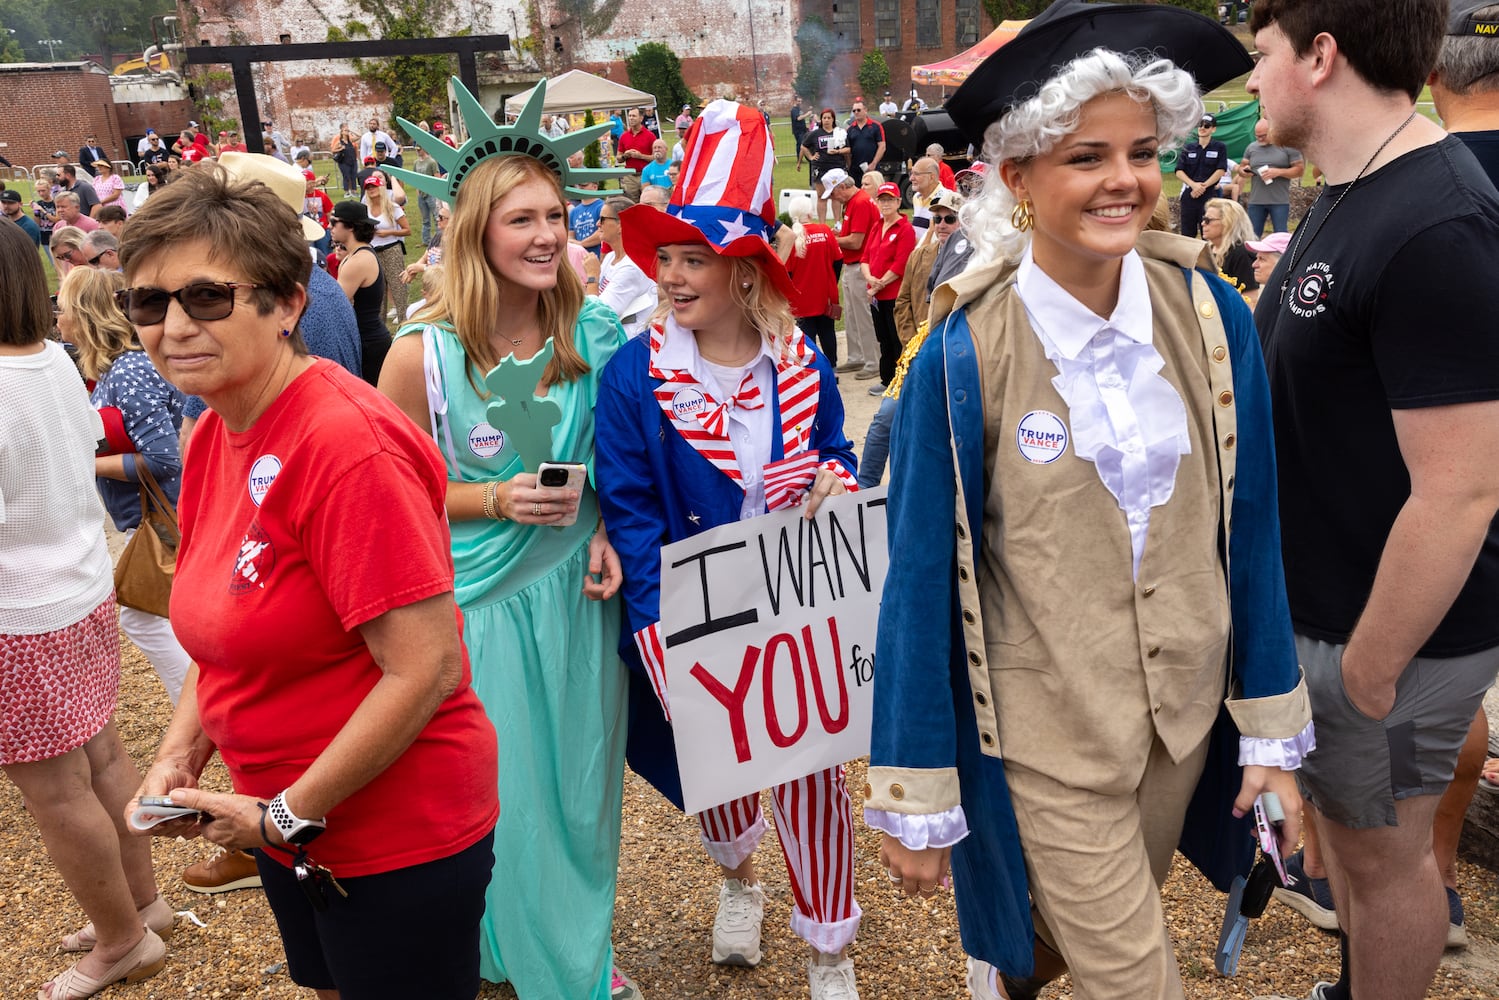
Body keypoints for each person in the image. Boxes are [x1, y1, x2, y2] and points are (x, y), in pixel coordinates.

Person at [871, 6, 1310, 1000]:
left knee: (1054, 943)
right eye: (1085, 156)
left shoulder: (1209, 314)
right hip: (1046, 735)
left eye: (1141, 151)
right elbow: (919, 583)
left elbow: (1251, 534)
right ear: (1019, 178)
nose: (1123, 179)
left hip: (1180, 729)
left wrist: (1270, 733)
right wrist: (912, 783)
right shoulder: (961, 352)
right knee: (1136, 978)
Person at [120, 163, 498, 1000]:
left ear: (288, 302)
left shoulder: (344, 445)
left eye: (206, 298)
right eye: (149, 303)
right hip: (283, 822)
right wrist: (178, 758)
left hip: (390, 830)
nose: (174, 326)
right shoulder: (216, 426)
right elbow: (222, 633)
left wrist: (288, 813)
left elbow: (425, 666)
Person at [1247, 0, 1499, 997]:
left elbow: (1461, 487)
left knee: (1386, 861)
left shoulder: (1433, 218)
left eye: (1260, 54)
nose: (1252, 78)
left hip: (1390, 637)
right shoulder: (1355, 187)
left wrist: (1366, 670)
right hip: (1331, 612)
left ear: (1318, 55)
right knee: (1352, 854)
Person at [596, 98, 863, 1000]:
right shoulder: (634, 375)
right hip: (691, 611)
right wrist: (652, 628)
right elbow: (629, 511)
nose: (670, 276)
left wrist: (827, 477)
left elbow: (840, 452)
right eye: (663, 256)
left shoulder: (800, 362)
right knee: (718, 784)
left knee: (814, 781)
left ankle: (830, 950)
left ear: (743, 268)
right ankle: (738, 881)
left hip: (797, 603)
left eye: (692, 257)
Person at [376, 84, 638, 1000]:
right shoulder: (421, 354)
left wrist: (607, 528)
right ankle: (526, 958)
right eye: (520, 218)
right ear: (475, 231)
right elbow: (392, 495)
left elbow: (623, 466)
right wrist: (491, 497)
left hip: (575, 598)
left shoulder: (598, 333)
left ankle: (570, 957)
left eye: (556, 217)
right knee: (506, 799)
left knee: (580, 795)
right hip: (473, 610)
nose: (544, 236)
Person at [0, 220, 172, 1000]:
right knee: (101, 757)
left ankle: (120, 939)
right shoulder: (52, 362)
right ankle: (142, 905)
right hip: (79, 582)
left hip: (20, 612)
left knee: (56, 791)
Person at [55, 266, 192, 705]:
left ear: (84, 316)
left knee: (145, 619)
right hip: (154, 514)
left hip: (163, 515)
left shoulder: (127, 372)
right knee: (165, 615)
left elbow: (164, 457)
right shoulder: (117, 368)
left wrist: (86, 465)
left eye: (61, 311)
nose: (57, 321)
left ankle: (200, 707)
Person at [860, 189, 962, 490]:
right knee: (885, 418)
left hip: (954, 357)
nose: (942, 224)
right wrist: (910, 341)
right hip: (917, 351)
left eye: (950, 219)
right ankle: (863, 490)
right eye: (937, 218)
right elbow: (903, 302)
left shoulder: (976, 259)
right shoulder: (921, 254)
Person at [821, 168, 880, 379]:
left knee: (863, 316)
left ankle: (873, 361)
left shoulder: (860, 202)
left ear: (843, 187)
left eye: (835, 193)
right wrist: (838, 235)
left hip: (860, 265)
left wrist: (830, 239)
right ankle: (858, 357)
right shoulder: (854, 202)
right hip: (853, 264)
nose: (834, 198)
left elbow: (856, 241)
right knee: (853, 316)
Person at [329, 200, 393, 385]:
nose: (329, 226)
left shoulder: (358, 261)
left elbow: (336, 305)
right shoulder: (357, 255)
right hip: (367, 338)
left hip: (368, 341)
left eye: (334, 222)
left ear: (350, 226)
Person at [862, 181, 916, 393]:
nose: (885, 204)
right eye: (882, 200)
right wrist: (870, 280)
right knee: (882, 338)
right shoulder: (877, 226)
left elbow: (900, 264)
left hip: (893, 294)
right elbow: (865, 257)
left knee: (896, 338)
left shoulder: (905, 229)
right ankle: (887, 379)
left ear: (898, 202)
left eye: (889, 200)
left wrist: (877, 285)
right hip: (875, 294)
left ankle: (901, 382)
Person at [780, 194, 841, 366]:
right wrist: (831, 280)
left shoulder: (790, 238)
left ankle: (812, 368)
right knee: (828, 332)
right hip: (825, 294)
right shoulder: (825, 231)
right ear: (810, 212)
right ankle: (833, 368)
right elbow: (838, 261)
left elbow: (788, 272)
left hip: (800, 297)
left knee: (807, 336)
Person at [596, 195, 659, 336]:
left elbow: (598, 316)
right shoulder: (611, 257)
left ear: (621, 225)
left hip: (625, 344)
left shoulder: (632, 266)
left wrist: (591, 278)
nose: (597, 224)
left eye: (602, 219)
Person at [1236, 118, 1304, 234]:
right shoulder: (1252, 147)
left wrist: (1278, 172)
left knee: (1280, 234)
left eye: (1263, 136)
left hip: (1279, 200)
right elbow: (1241, 168)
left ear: (1272, 131)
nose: (1259, 139)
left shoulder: (1287, 146)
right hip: (1256, 200)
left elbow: (1299, 170)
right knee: (1253, 235)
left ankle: (1282, 253)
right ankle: (1253, 253)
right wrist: (1244, 171)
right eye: (1257, 136)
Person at [362, 171, 410, 321]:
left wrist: (389, 232)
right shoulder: (364, 209)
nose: (371, 190)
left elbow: (407, 230)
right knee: (377, 291)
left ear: (381, 187)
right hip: (373, 253)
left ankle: (404, 322)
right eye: (368, 187)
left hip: (391, 250)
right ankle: (379, 326)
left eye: (374, 186)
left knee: (398, 288)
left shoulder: (392, 206)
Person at [1174, 113, 1228, 237]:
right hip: (1190, 194)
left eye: (1207, 126)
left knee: (1209, 233)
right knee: (1187, 234)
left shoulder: (1219, 147)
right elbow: (1179, 170)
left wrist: (1203, 186)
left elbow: (1221, 169)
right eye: (1200, 125)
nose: (1202, 128)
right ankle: (1188, 257)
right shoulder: (1188, 147)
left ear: (1213, 129)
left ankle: (1210, 256)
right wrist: (1193, 185)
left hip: (1209, 195)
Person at [800, 110, 850, 223]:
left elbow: (848, 148)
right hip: (821, 168)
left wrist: (838, 152)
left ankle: (837, 223)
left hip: (837, 167)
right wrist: (811, 156)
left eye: (829, 118)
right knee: (822, 196)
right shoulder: (816, 133)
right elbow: (803, 146)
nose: (826, 120)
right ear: (821, 120)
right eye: (824, 118)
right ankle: (822, 225)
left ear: (833, 119)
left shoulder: (840, 133)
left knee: (837, 196)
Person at [1202, 197, 1259, 294]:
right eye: (1203, 219)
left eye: (1208, 220)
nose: (1203, 223)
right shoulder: (1206, 250)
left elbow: (1250, 298)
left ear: (1227, 222)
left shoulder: (1242, 254)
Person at [1243, 230, 1288, 310]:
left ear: (1283, 263)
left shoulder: (1287, 303)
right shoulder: (1276, 295)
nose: (1254, 265)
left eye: (1262, 259)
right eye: (1256, 258)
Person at [618, 108, 656, 200]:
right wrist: (625, 156)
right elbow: (618, 158)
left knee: (647, 200)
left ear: (641, 118)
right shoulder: (624, 136)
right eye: (630, 116)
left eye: (634, 116)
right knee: (631, 202)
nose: (631, 118)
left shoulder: (650, 136)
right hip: (630, 176)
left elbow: (655, 158)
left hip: (645, 174)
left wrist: (640, 156)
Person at [844, 100, 887, 182]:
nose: (856, 112)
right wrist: (849, 166)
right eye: (854, 111)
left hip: (872, 167)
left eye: (858, 110)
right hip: (855, 169)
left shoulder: (876, 126)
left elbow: (882, 146)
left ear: (865, 110)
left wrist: (874, 163)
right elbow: (848, 151)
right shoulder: (850, 129)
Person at [331, 123, 359, 194]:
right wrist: (340, 149)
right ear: (342, 132)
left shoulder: (351, 140)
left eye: (347, 130)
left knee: (353, 176)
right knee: (346, 176)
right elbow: (333, 150)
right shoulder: (339, 142)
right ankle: (346, 191)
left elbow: (359, 136)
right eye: (345, 130)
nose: (347, 132)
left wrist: (351, 130)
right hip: (344, 162)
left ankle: (354, 191)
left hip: (353, 160)